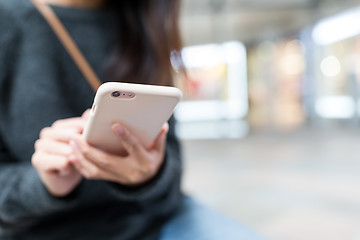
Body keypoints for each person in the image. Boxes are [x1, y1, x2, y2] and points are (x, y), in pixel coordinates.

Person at [0, 0, 265, 239]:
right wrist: (43, 184)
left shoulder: (145, 24)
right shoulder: (9, 21)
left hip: (153, 221)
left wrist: (151, 173)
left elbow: (172, 169)